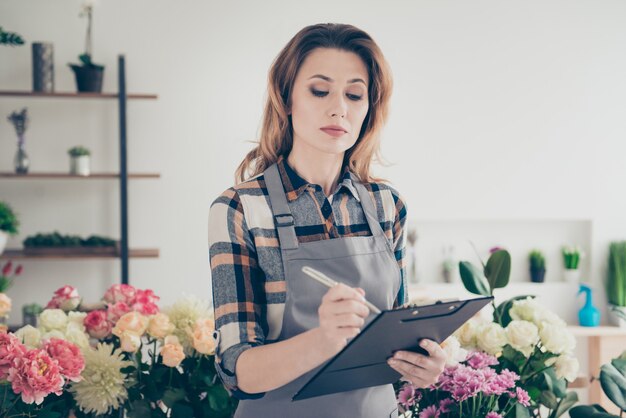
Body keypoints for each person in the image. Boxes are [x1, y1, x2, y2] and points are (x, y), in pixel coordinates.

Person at [208, 23, 446, 418]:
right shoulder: (240, 209)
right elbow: (238, 371)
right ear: (286, 98)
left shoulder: (388, 206)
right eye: (320, 91)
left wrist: (421, 366)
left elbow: (393, 341)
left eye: (355, 94)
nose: (340, 108)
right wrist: (324, 340)